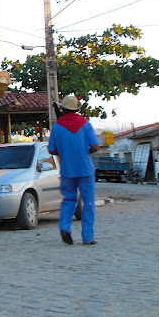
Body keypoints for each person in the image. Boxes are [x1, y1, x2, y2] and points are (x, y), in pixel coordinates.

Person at [48, 94, 100, 245]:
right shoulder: (85, 124)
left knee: (68, 200)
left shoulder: (57, 127)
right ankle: (88, 237)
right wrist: (87, 151)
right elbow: (96, 146)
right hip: (85, 169)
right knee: (88, 203)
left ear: (63, 109)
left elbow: (51, 150)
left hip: (67, 170)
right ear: (76, 109)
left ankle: (65, 227)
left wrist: (64, 152)